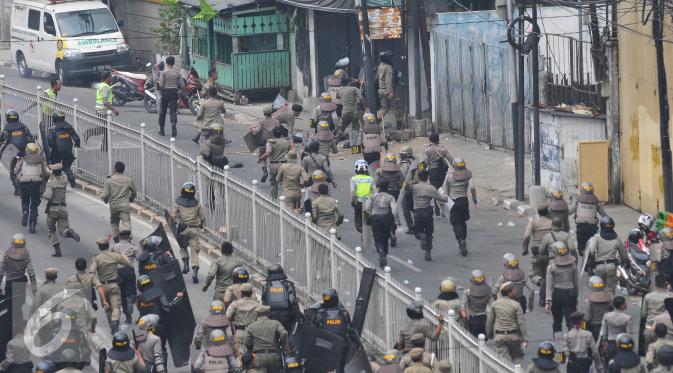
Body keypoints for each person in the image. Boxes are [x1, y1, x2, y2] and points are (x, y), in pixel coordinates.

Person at [90, 236, 132, 334]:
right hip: (114, 285)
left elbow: (91, 272)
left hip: (102, 287)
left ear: (99, 247)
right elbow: (128, 264)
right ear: (108, 245)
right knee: (116, 307)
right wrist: (123, 254)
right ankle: (115, 321)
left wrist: (97, 284)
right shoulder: (115, 255)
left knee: (107, 309)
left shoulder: (96, 258)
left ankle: (113, 328)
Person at [409, 170, 448, 261]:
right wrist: (445, 196)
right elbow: (442, 199)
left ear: (418, 177)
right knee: (429, 233)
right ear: (428, 178)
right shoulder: (431, 188)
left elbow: (406, 187)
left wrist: (413, 181)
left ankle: (421, 234)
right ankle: (428, 252)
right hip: (427, 212)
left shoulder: (413, 188)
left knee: (417, 231)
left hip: (417, 212)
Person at [486, 282, 528, 365]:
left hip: (500, 336)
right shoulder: (516, 305)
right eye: (513, 290)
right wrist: (525, 339)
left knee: (502, 361)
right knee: (517, 357)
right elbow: (521, 323)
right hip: (513, 336)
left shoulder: (495, 304)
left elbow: (490, 321)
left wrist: (489, 334)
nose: (515, 291)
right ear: (509, 293)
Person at [442, 157, 478, 256]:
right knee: (463, 221)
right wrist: (474, 199)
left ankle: (461, 239)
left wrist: (445, 201)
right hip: (464, 201)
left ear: (454, 165)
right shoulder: (468, 175)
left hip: (453, 201)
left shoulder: (449, 175)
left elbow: (445, 191)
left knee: (455, 223)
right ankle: (464, 238)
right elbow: (472, 187)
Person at [171, 181, 205, 282]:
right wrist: (201, 225)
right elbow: (202, 217)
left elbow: (173, 217)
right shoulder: (196, 204)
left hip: (182, 230)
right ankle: (194, 269)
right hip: (194, 230)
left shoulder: (178, 203)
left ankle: (185, 263)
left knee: (182, 247)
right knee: (194, 251)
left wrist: (175, 224)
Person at [43, 163, 80, 257]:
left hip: (52, 209)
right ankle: (69, 232)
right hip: (63, 208)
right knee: (63, 230)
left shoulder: (51, 182)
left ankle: (57, 250)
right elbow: (57, 174)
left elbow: (48, 196)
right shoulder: (64, 179)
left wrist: (44, 193)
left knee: (51, 230)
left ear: (53, 172)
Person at [544, 241, 578, 338]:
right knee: (571, 322)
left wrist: (548, 301)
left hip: (557, 295)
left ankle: (559, 349)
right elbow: (576, 283)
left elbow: (549, 285)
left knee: (557, 322)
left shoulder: (552, 266)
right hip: (571, 294)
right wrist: (577, 296)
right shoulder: (573, 264)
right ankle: (573, 347)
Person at [585, 216, 627, 294]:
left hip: (599, 267)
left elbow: (591, 252)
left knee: (598, 290)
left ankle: (599, 303)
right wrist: (625, 263)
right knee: (610, 290)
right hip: (611, 267)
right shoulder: (617, 238)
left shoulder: (597, 238)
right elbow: (624, 256)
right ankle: (609, 304)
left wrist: (590, 263)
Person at [244, 305, 290, 373]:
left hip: (259, 357)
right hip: (274, 355)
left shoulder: (251, 326)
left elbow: (247, 342)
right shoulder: (276, 323)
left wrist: (252, 347)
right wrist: (284, 346)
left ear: (257, 314)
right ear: (268, 313)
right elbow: (284, 333)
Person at [365, 179, 400, 267]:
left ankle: (380, 251)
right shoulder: (390, 197)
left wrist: (369, 216)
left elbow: (367, 208)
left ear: (378, 188)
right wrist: (396, 220)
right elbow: (394, 210)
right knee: (385, 238)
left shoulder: (373, 196)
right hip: (386, 219)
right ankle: (384, 253)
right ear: (387, 187)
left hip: (375, 219)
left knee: (377, 238)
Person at [15, 142, 48, 233]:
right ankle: (32, 226)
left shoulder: (23, 159)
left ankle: (25, 212)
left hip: (24, 184)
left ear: (27, 150)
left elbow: (15, 170)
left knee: (25, 201)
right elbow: (46, 172)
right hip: (36, 184)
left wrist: (19, 177)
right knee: (34, 205)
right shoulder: (41, 159)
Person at [0, 110, 34, 195]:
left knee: (12, 170)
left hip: (12, 153)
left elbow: (1, 140)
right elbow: (31, 138)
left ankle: (18, 189)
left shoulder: (6, 129)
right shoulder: (23, 127)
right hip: (24, 151)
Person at [101, 161, 136, 240]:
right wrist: (130, 198)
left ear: (115, 169)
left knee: (114, 223)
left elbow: (105, 195)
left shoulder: (109, 180)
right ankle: (128, 237)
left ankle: (116, 238)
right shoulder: (128, 180)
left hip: (114, 206)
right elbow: (134, 192)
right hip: (125, 206)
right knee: (126, 223)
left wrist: (105, 200)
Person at [569, 181, 607, 255]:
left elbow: (570, 211)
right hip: (592, 228)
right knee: (593, 248)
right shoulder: (595, 200)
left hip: (581, 228)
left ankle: (582, 253)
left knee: (581, 249)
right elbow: (604, 215)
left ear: (582, 189)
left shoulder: (578, 200)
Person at [261, 264, 300, 333]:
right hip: (287, 315)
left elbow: (263, 304)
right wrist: (298, 317)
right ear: (282, 272)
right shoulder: (288, 284)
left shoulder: (266, 287)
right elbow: (293, 301)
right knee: (288, 334)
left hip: (271, 315)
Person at [521, 205, 553, 287]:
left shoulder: (533, 222)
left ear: (538, 213)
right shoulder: (552, 223)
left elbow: (527, 236)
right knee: (550, 273)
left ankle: (539, 281)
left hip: (537, 253)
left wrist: (525, 249)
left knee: (535, 275)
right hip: (550, 253)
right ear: (547, 212)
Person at [110, 230, 137, 325]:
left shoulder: (114, 247)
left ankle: (128, 318)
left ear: (120, 237)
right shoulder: (133, 247)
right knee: (131, 292)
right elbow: (139, 257)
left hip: (118, 272)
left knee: (121, 295)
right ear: (129, 237)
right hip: (129, 270)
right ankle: (130, 299)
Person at [225, 283, 259, 354]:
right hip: (253, 332)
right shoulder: (257, 304)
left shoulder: (235, 304)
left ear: (241, 293)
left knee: (240, 353)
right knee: (253, 353)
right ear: (251, 293)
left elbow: (227, 316)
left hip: (240, 332)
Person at [47, 112, 80, 187]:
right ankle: (72, 182)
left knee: (55, 166)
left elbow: (49, 142)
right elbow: (76, 138)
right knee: (67, 166)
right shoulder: (69, 127)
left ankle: (57, 182)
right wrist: (77, 144)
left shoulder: (52, 129)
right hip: (68, 151)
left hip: (56, 152)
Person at [600, 296, 634, 368]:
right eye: (625, 303)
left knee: (609, 364)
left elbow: (604, 331)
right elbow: (629, 335)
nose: (626, 304)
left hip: (610, 344)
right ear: (622, 305)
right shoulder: (627, 318)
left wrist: (604, 342)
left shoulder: (606, 316)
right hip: (622, 345)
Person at [642, 275, 673, 350]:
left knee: (649, 353)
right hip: (666, 331)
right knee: (664, 355)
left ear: (655, 284)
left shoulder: (648, 296)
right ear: (666, 283)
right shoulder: (670, 296)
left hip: (649, 329)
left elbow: (643, 315)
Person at [251, 105, 279, 183]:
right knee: (274, 159)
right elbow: (278, 131)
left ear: (264, 113)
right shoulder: (276, 121)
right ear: (271, 112)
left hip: (264, 142)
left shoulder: (262, 121)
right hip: (275, 142)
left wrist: (252, 129)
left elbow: (256, 131)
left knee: (262, 159)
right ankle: (276, 175)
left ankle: (265, 172)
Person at [461, 269, 492, 338]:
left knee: (473, 340)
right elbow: (492, 306)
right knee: (483, 341)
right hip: (485, 319)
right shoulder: (489, 291)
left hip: (473, 320)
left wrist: (465, 324)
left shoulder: (467, 292)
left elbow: (463, 312)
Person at [156, 56, 182, 137]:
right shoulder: (177, 72)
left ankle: (162, 130)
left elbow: (160, 85)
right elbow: (181, 84)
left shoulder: (164, 72)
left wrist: (157, 84)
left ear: (166, 63)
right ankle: (173, 123)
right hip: (174, 93)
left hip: (165, 93)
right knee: (173, 110)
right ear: (173, 63)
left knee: (162, 112)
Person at [376, 50, 402, 129]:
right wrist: (390, 92)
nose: (391, 59)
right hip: (388, 91)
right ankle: (399, 124)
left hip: (381, 91)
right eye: (390, 57)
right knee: (397, 106)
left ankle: (377, 122)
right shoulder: (388, 68)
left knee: (384, 108)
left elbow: (377, 78)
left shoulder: (380, 66)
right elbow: (388, 80)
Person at [424, 133, 454, 202]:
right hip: (442, 171)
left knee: (435, 189)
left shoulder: (427, 150)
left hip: (433, 172)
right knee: (442, 187)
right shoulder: (443, 149)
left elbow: (426, 162)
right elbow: (451, 160)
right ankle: (443, 201)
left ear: (430, 140)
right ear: (438, 139)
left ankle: (437, 203)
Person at [584, 275, 612, 341]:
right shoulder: (609, 298)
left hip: (594, 326)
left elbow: (587, 318)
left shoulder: (588, 301)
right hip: (607, 324)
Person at [337, 80, 365, 144]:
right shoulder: (354, 89)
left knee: (341, 127)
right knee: (355, 128)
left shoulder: (339, 90)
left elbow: (338, 97)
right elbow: (361, 98)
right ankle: (355, 145)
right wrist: (365, 107)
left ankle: (335, 142)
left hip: (344, 112)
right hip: (354, 112)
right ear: (348, 83)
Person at [351, 160, 375, 234]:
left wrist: (354, 202)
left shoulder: (353, 179)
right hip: (369, 203)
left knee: (358, 220)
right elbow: (374, 192)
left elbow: (353, 192)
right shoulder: (371, 179)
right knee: (371, 218)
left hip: (358, 203)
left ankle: (361, 230)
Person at [399, 146, 417, 234]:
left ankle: (411, 227)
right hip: (415, 187)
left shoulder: (404, 163)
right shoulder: (415, 162)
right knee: (414, 207)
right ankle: (419, 225)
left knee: (406, 209)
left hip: (406, 188)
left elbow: (403, 176)